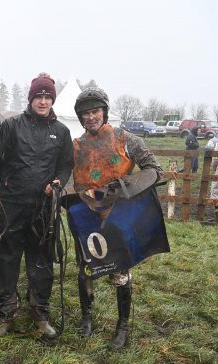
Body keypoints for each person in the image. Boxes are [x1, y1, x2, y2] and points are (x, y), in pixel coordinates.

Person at [0, 73, 73, 339]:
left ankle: (40, 313)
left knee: (41, 261)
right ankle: (6, 314)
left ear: (52, 99)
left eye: (47, 96)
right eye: (38, 96)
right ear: (31, 99)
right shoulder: (12, 126)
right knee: (6, 259)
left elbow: (65, 166)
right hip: (11, 204)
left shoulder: (62, 132)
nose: (43, 101)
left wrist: (58, 181)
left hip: (43, 207)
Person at [71, 87, 163, 349]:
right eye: (85, 113)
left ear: (104, 112)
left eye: (95, 111)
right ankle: (86, 318)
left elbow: (153, 170)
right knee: (85, 269)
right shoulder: (76, 146)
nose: (91, 117)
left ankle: (122, 326)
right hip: (87, 215)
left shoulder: (126, 139)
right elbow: (63, 175)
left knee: (120, 271)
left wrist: (126, 186)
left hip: (118, 214)